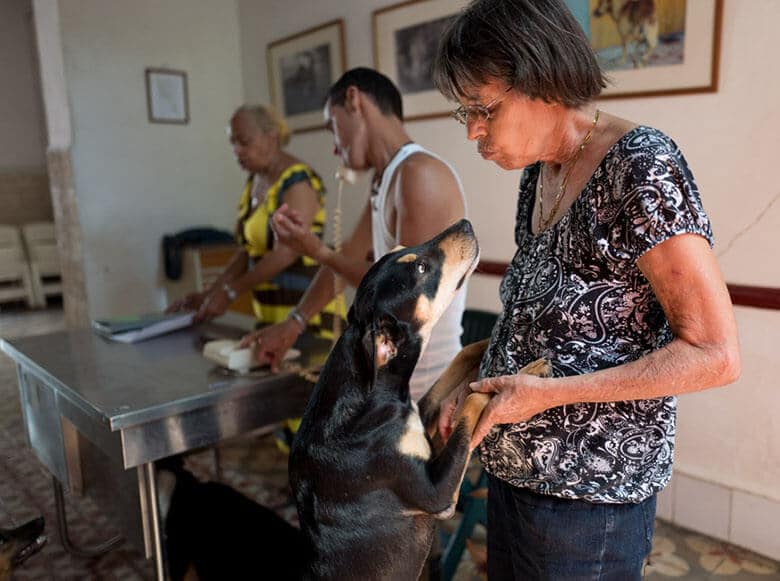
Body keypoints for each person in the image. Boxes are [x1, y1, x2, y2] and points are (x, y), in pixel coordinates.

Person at [432, 0, 741, 579]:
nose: (473, 130)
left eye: (483, 109)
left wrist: (546, 396)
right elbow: (536, 318)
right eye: (464, 113)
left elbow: (716, 354)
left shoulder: (640, 166)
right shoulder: (539, 172)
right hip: (513, 476)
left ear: (541, 80)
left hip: (588, 501)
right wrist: (471, 388)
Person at [241, 68, 467, 401]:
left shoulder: (419, 175)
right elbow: (347, 256)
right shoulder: (387, 178)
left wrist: (318, 251)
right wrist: (294, 323)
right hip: (392, 388)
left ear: (354, 100)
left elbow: (406, 291)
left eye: (332, 127)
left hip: (425, 393)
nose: (335, 148)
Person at [167, 105, 343, 337]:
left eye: (244, 142)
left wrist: (230, 293)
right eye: (232, 143)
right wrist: (211, 294)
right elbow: (247, 251)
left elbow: (285, 253)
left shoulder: (298, 181)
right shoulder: (255, 182)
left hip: (307, 318)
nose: (237, 151)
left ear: (272, 137)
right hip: (269, 314)